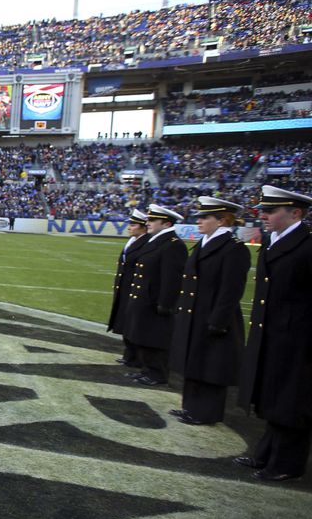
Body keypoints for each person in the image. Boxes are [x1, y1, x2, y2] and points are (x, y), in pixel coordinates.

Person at [235, 185, 312, 482]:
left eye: (270, 211)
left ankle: (286, 464)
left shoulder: (306, 244)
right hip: (274, 335)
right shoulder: (274, 240)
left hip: (298, 340)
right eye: (263, 210)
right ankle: (267, 453)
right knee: (273, 396)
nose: (263, 216)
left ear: (296, 213)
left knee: (292, 402)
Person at [168, 197, 251, 426]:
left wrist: (218, 321)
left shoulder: (233, 248)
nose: (199, 221)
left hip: (213, 317)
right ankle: (190, 407)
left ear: (222, 220)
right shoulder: (204, 243)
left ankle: (206, 412)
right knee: (194, 362)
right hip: (195, 314)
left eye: (205, 217)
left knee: (211, 366)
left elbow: (231, 290)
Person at [122, 204, 188, 387]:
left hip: (155, 301)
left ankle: (157, 373)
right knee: (144, 336)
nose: (148, 223)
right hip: (146, 299)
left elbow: (171, 278)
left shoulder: (173, 244)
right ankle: (147, 369)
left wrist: (165, 304)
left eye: (152, 220)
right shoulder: (157, 241)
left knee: (155, 338)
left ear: (166, 224)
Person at [107, 208, 149, 368]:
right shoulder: (132, 240)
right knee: (125, 320)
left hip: (133, 287)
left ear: (143, 227)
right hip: (125, 287)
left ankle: (135, 357)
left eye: (133, 224)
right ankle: (129, 355)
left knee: (132, 323)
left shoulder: (146, 242)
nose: (129, 227)